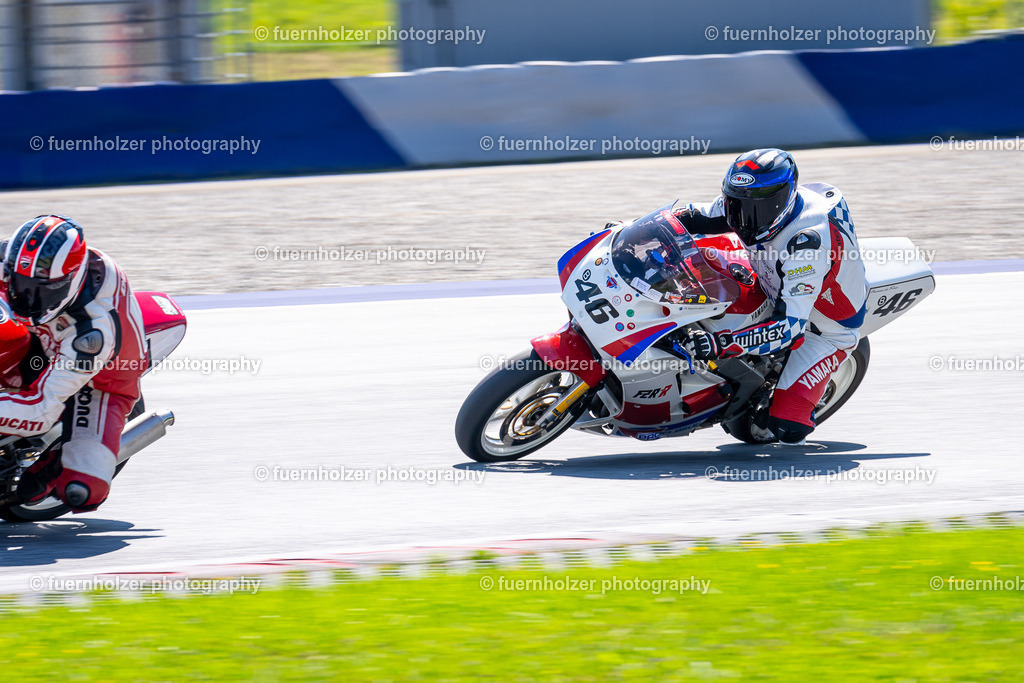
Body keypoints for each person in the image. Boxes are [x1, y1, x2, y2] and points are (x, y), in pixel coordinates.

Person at [674, 148, 867, 445]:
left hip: (820, 325)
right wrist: (632, 229)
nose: (745, 219)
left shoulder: (806, 244)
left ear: (786, 198)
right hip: (768, 278)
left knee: (787, 429)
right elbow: (689, 217)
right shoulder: (742, 203)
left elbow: (789, 328)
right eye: (737, 205)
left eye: (760, 209)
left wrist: (719, 343)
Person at [0, 215, 147, 511]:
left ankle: (54, 463)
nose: (26, 298)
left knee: (82, 490)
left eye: (42, 290)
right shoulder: (14, 259)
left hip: (101, 380)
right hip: (44, 339)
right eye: (20, 284)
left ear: (71, 280)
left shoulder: (94, 330)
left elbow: (41, 410)